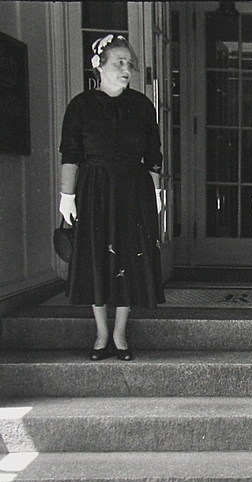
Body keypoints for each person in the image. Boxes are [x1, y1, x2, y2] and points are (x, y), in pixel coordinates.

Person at [58, 35, 164, 362]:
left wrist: (158, 193)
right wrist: (66, 196)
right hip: (93, 191)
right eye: (119, 62)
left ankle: (120, 334)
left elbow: (153, 156)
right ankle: (101, 333)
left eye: (129, 63)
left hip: (134, 191)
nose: (126, 68)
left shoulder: (143, 106)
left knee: (128, 259)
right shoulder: (80, 106)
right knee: (96, 258)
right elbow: (71, 154)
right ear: (99, 66)